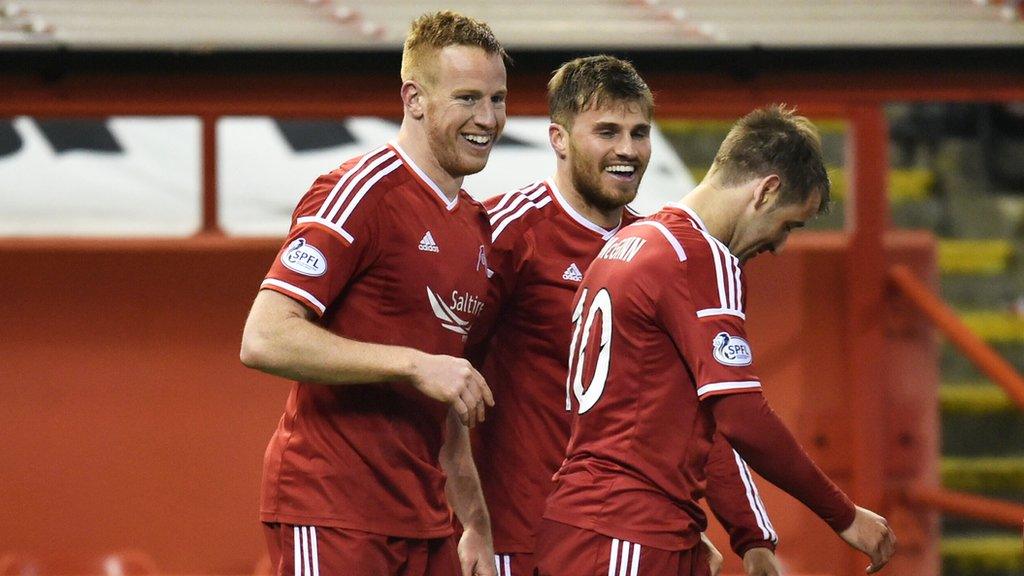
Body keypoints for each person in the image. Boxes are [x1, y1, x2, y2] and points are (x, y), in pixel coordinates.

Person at [536, 105, 898, 576]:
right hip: (629, 533)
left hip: (597, 526)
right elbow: (743, 417)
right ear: (766, 191)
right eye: (789, 224)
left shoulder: (630, 242)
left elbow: (700, 420)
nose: (780, 245)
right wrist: (845, 516)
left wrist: (750, 535)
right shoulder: (701, 256)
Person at [471, 56, 783, 576]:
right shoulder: (505, 234)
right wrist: (467, 522)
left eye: (640, 132)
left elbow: (702, 413)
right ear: (559, 138)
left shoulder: (664, 253)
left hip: (622, 541)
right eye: (607, 131)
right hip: (513, 540)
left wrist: (751, 536)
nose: (627, 150)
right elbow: (441, 379)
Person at [239, 11, 507, 576]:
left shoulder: (476, 226)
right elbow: (263, 337)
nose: (488, 118)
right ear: (414, 99)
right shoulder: (359, 190)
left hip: (426, 519)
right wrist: (413, 364)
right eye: (467, 99)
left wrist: (476, 522)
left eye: (498, 99)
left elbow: (448, 389)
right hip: (333, 507)